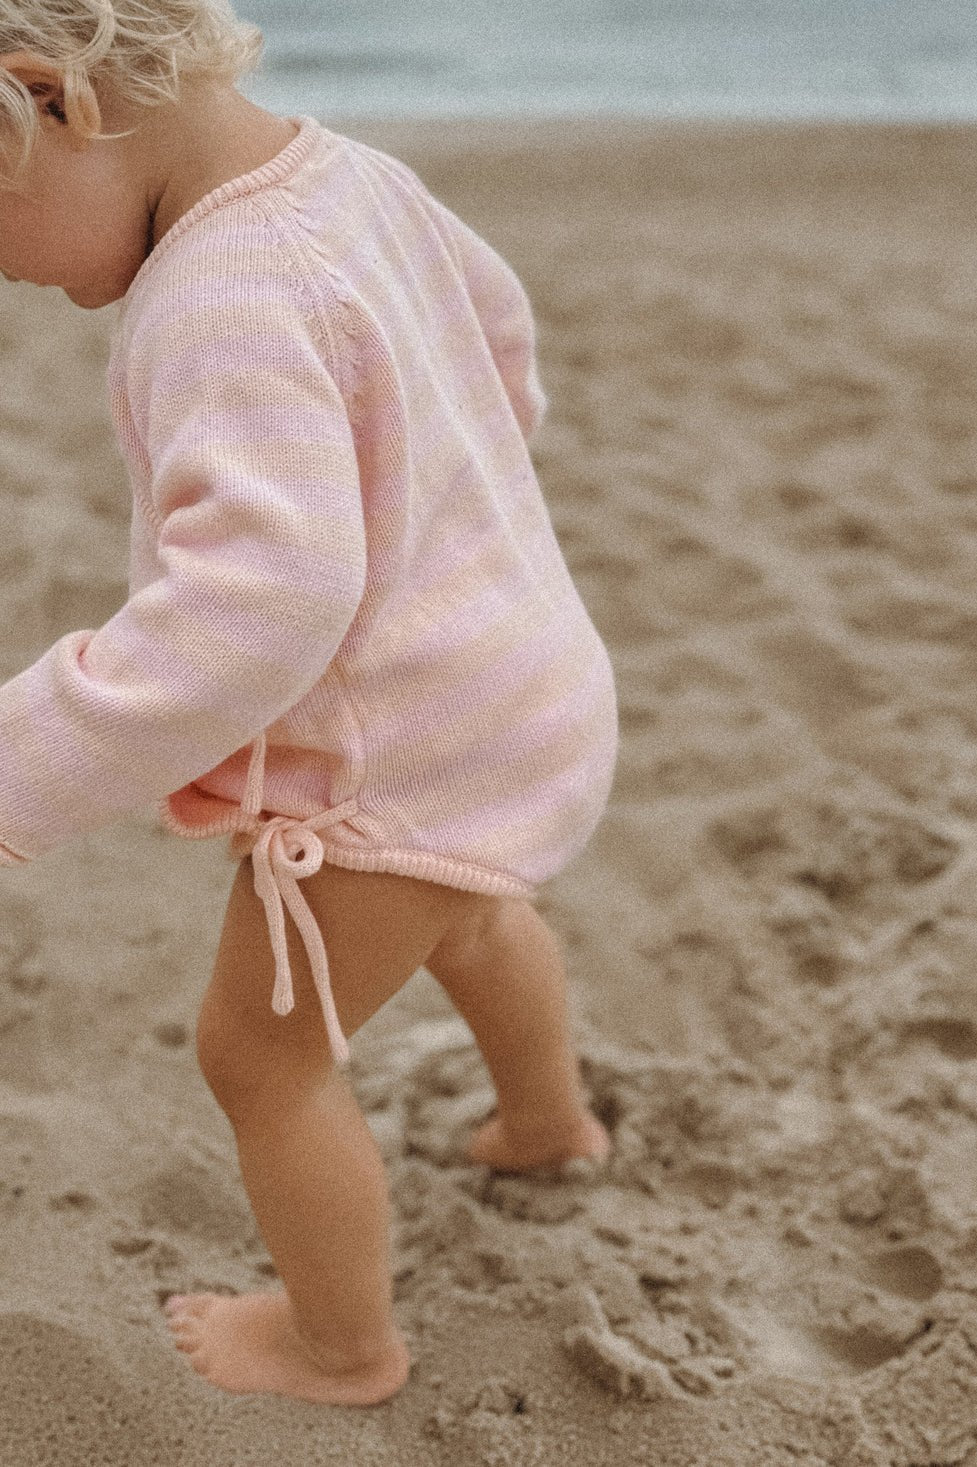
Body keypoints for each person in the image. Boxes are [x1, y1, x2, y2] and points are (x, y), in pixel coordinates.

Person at [0, 0, 618, 1409]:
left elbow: (253, 611)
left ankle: (337, 1346)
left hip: (400, 740)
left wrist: (23, 764)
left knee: (257, 1054)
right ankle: (547, 1124)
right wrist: (446, 503)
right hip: (518, 674)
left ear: (48, 104)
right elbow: (496, 340)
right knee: (470, 905)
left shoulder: (223, 294)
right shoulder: (349, 175)